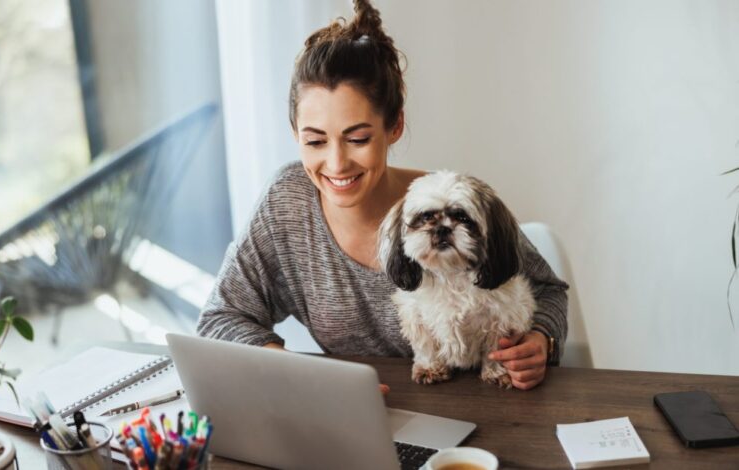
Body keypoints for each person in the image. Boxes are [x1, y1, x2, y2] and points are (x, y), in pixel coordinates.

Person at [197, 0, 568, 391]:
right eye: (315, 141)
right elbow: (220, 318)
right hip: (349, 415)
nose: (337, 163)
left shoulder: (449, 203)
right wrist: (310, 381)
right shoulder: (287, 205)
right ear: (295, 134)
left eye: (357, 139)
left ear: (394, 126)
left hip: (481, 410)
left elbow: (548, 290)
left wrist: (542, 339)